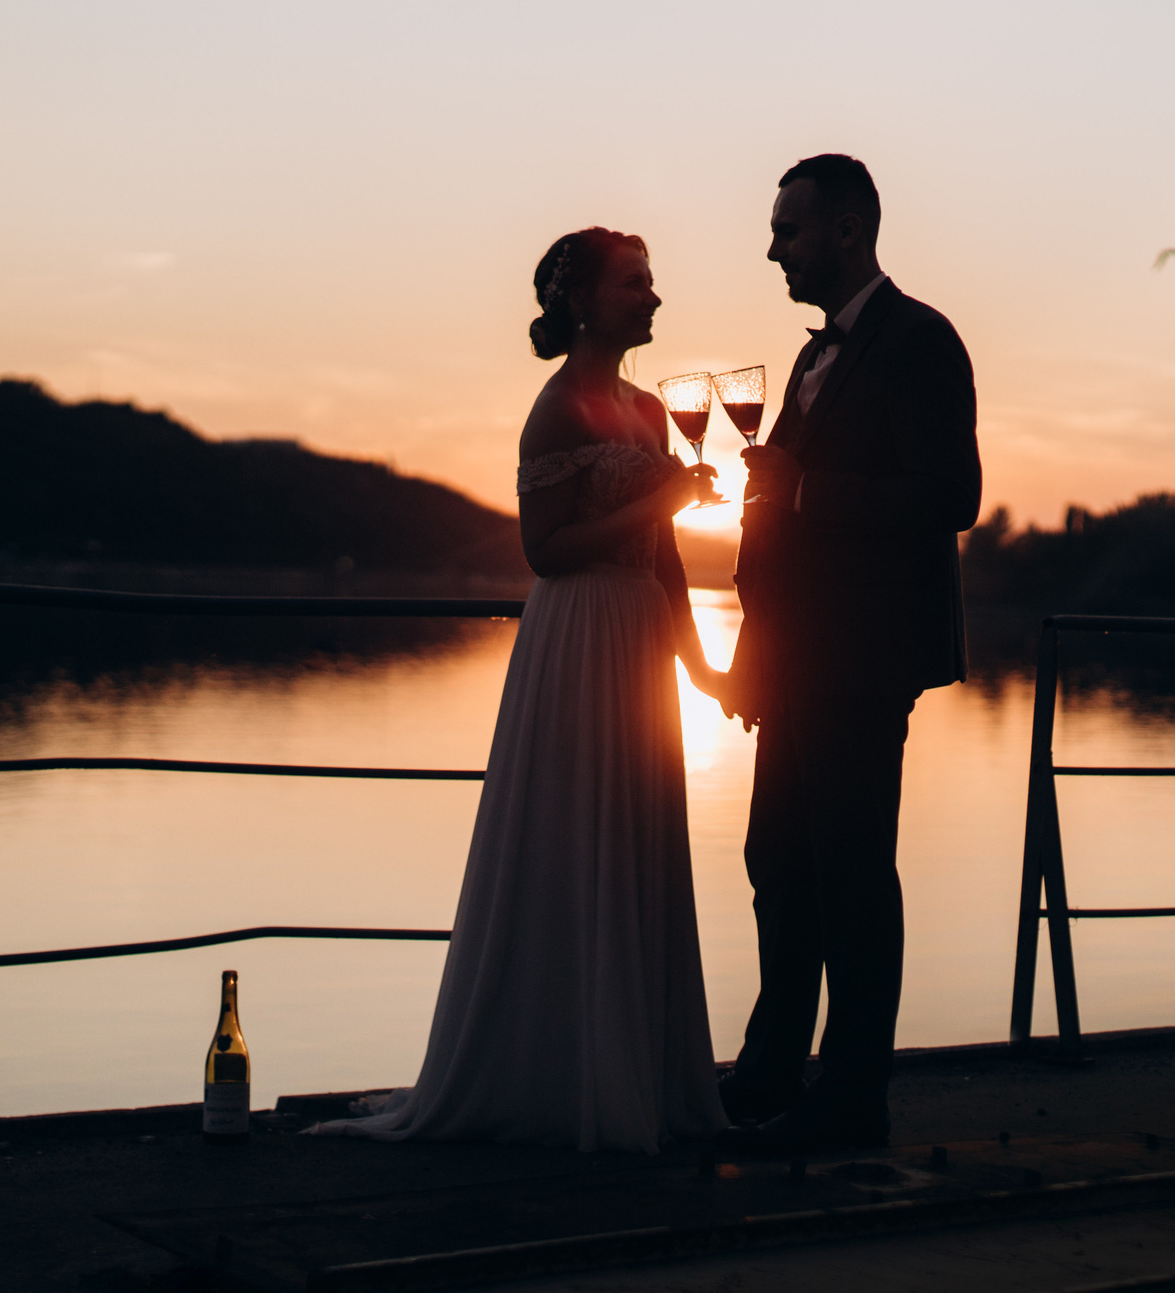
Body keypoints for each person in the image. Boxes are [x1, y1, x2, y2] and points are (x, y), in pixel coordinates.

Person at [309, 227, 732, 1154]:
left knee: (633, 841)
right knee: (571, 837)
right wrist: (663, 501)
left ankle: (634, 1073)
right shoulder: (559, 409)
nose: (654, 298)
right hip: (579, 639)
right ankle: (555, 1072)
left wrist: (701, 667)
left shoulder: (645, 411)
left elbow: (662, 555)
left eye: (653, 283)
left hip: (638, 648)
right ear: (584, 299)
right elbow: (545, 550)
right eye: (636, 283)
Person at [718, 154, 981, 1156]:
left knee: (852, 871)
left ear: (846, 228)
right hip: (791, 656)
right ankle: (771, 1070)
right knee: (777, 861)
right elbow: (771, 502)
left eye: (787, 228)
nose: (772, 247)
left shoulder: (920, 342)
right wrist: (749, 645)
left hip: (863, 656)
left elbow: (951, 496)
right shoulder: (811, 357)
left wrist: (802, 494)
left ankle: (853, 1094)